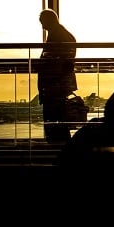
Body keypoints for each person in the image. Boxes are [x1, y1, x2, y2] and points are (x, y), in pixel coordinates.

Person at [37, 8, 78, 144]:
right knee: (60, 122)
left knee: (54, 121)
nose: (42, 26)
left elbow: (58, 61)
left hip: (54, 85)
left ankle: (57, 150)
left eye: (43, 22)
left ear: (50, 20)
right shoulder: (65, 35)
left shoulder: (57, 36)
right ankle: (61, 149)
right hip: (59, 85)